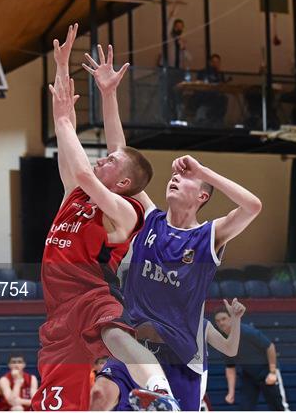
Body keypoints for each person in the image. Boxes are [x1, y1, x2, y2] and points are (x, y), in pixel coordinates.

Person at [83, 45, 262, 410]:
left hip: (181, 358)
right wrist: (108, 93)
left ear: (202, 197)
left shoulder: (207, 236)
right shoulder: (150, 219)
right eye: (176, 175)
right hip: (135, 348)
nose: (176, 179)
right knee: (99, 394)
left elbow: (252, 206)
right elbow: (121, 154)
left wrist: (204, 171)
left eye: (186, 178)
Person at [31, 24, 179, 412]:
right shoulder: (78, 193)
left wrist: (65, 119)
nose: (103, 157)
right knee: (57, 401)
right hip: (58, 309)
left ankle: (162, 395)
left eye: (111, 163)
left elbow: (101, 158)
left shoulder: (127, 208)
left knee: (113, 331)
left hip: (95, 291)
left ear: (125, 182)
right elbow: (110, 152)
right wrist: (65, 68)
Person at [90, 299, 246, 410]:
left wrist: (236, 320)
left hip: (181, 371)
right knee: (100, 394)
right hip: (140, 357)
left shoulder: (202, 325)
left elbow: (230, 349)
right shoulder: (142, 310)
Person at [214, 308, 290, 411]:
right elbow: (230, 367)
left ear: (231, 319)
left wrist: (272, 372)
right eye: (218, 321)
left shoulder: (246, 331)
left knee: (278, 407)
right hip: (248, 375)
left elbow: (270, 347)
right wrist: (231, 392)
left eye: (224, 319)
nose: (221, 323)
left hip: (266, 371)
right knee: (245, 408)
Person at [194, 53, 229, 126]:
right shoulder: (202, 72)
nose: (216, 64)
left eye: (218, 62)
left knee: (224, 99)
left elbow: (222, 86)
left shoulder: (220, 74)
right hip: (204, 96)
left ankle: (218, 120)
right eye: (214, 62)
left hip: (217, 98)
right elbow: (198, 85)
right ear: (210, 63)